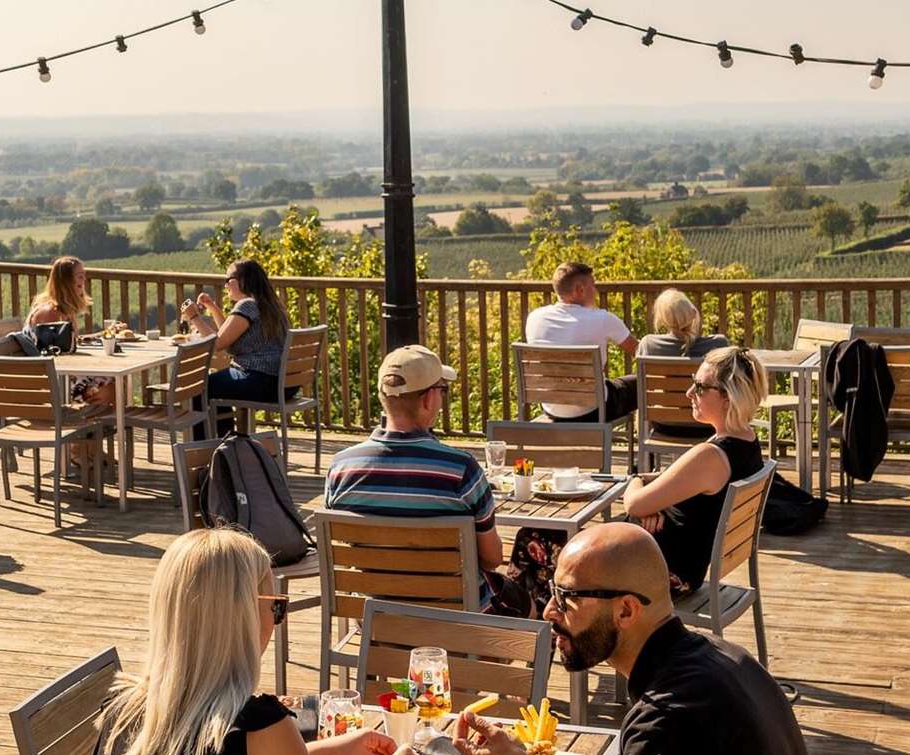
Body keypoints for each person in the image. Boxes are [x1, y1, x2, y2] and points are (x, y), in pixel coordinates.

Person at [451, 523, 827, 755]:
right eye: (552, 591)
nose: (550, 610)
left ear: (626, 611)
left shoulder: (665, 718)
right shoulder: (728, 658)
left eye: (567, 597)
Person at [90, 528, 423, 755]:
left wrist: (327, 751)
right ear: (243, 616)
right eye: (275, 606)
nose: (276, 622)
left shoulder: (120, 711)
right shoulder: (259, 727)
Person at [324, 346, 537, 615]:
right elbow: (492, 558)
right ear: (428, 400)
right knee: (528, 607)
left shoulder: (340, 468)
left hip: (375, 614)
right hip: (454, 615)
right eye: (442, 390)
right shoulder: (460, 470)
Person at [620, 345, 767, 597]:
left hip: (657, 572)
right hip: (677, 566)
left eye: (699, 387)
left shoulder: (710, 456)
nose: (689, 393)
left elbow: (633, 505)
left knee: (543, 547)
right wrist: (653, 500)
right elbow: (677, 483)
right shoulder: (746, 441)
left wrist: (636, 479)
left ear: (727, 397)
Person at [183, 259, 292, 437]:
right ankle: (225, 444)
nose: (225, 285)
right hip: (282, 383)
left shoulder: (248, 305)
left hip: (261, 380)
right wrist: (212, 308)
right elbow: (227, 335)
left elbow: (217, 344)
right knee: (218, 384)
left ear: (244, 280)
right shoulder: (269, 304)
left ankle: (207, 451)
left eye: (229, 279)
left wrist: (194, 317)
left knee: (199, 387)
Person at [524, 262, 640, 423]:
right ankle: (654, 440)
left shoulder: (534, 318)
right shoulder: (602, 319)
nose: (596, 291)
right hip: (594, 410)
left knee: (608, 384)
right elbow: (641, 352)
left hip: (553, 408)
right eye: (593, 286)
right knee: (642, 382)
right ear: (580, 289)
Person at [637, 289, 730, 439]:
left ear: (662, 319)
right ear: (693, 313)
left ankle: (643, 461)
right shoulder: (719, 344)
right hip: (707, 425)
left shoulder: (648, 344)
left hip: (665, 424)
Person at [27, 255, 112, 407]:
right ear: (66, 282)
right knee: (110, 386)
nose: (83, 281)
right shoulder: (50, 313)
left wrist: (103, 335)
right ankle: (89, 426)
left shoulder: (64, 310)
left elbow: (68, 345)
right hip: (50, 382)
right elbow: (55, 358)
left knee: (112, 381)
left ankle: (98, 426)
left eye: (84, 276)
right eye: (80, 276)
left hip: (59, 374)